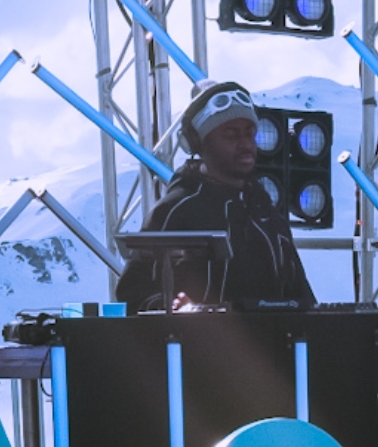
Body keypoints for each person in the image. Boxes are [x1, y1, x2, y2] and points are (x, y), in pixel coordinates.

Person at [113, 80, 313, 310]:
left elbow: (302, 299)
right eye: (231, 135)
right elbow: (132, 295)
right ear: (200, 143)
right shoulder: (175, 211)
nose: (245, 144)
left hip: (275, 345)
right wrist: (179, 312)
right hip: (193, 346)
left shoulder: (268, 215)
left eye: (250, 134)